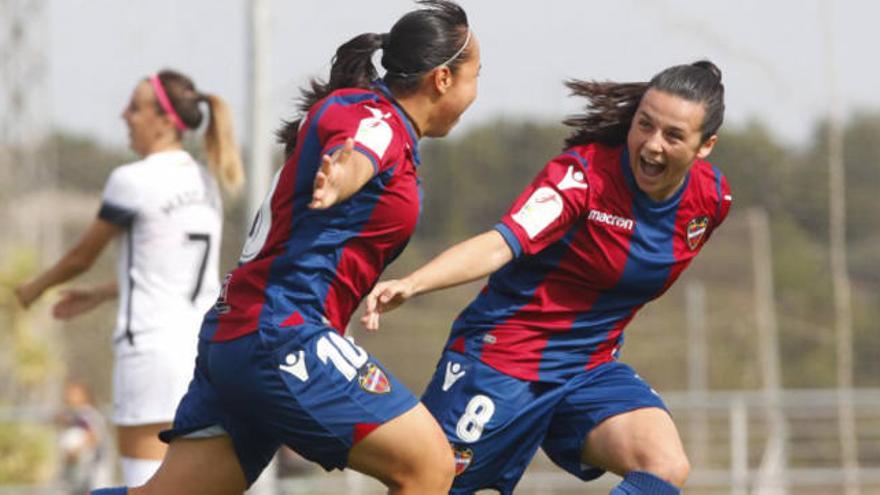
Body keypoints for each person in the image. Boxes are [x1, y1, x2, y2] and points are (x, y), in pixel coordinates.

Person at [90, 1, 480, 494]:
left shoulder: (366, 115)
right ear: (443, 79)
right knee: (429, 466)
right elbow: (360, 149)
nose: (476, 92)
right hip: (283, 334)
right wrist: (344, 173)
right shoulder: (375, 119)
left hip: (241, 335)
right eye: (476, 76)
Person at [363, 60, 732, 495]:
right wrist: (414, 283)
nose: (652, 145)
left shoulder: (711, 199)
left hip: (588, 373)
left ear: (705, 146)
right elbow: (501, 244)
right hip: (503, 364)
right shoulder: (582, 179)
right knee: (430, 485)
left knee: (664, 466)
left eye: (673, 136)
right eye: (644, 125)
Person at [15, 69, 244, 486]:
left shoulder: (132, 180)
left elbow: (81, 257)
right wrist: (104, 293)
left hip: (151, 355)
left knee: (147, 484)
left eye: (135, 107)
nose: (124, 115)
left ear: (164, 120)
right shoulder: (205, 181)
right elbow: (171, 270)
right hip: (204, 356)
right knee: (193, 488)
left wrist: (30, 289)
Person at [56, 379, 108, 495]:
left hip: (92, 470)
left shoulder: (88, 414)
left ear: (85, 396)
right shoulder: (72, 415)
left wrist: (77, 449)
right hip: (76, 471)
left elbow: (94, 436)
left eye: (74, 393)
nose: (69, 397)